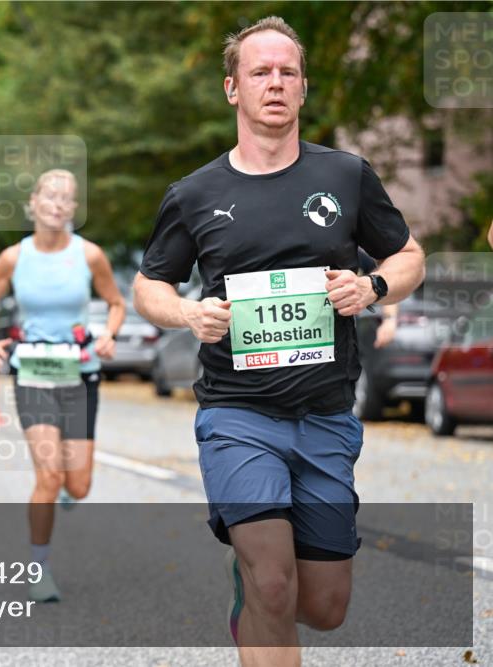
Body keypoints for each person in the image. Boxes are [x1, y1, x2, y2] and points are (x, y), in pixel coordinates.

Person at [132, 17, 425, 665]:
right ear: (232, 89)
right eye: (260, 72)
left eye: (286, 72)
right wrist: (188, 311)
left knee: (323, 606)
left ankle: (254, 597)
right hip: (238, 415)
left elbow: (409, 256)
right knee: (273, 581)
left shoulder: (346, 176)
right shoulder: (195, 194)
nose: (274, 83)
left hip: (325, 416)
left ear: (303, 89)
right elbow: (148, 285)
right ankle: (258, 588)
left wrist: (371, 287)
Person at [0, 169, 125, 603]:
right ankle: (38, 568)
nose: (58, 204)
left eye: (67, 198)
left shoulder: (89, 255)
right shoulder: (13, 259)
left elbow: (115, 302)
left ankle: (64, 492)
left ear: (73, 209)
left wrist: (109, 333)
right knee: (49, 475)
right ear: (33, 203)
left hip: (80, 374)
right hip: (34, 372)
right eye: (50, 196)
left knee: (77, 486)